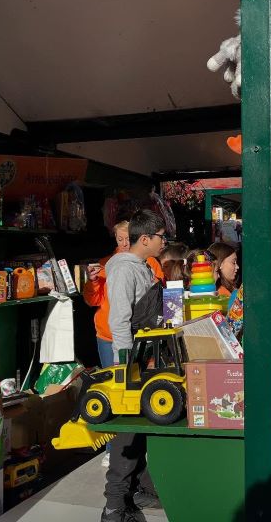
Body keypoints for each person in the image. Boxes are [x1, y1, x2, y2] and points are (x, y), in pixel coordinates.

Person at [102, 210, 168, 522]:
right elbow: (119, 322)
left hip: (146, 359)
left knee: (139, 429)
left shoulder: (143, 268)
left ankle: (137, 491)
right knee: (127, 432)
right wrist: (125, 367)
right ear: (145, 239)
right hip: (132, 362)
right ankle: (114, 506)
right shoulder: (123, 270)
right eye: (160, 237)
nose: (164, 241)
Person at [83, 220, 164, 371]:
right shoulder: (105, 264)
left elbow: (158, 298)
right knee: (116, 382)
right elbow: (93, 300)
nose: (125, 243)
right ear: (115, 238)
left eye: (128, 238)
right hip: (107, 334)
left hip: (140, 334)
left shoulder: (150, 262)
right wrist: (93, 282)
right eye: (120, 239)